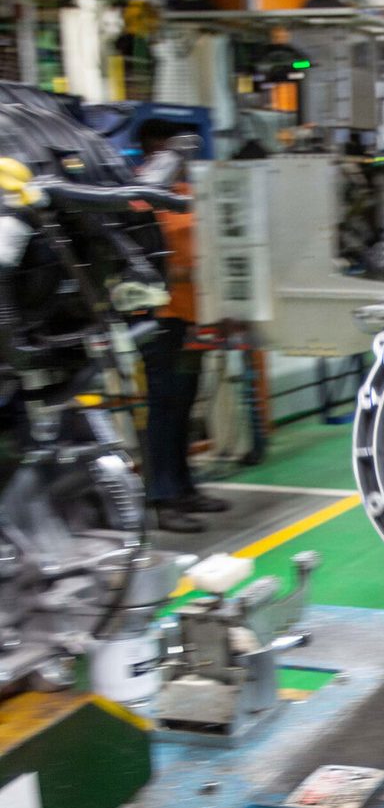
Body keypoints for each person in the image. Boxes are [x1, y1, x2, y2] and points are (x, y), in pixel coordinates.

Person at [135, 126, 229, 534]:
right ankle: (162, 498)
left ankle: (185, 487)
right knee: (164, 406)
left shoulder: (187, 192)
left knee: (186, 403)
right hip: (160, 321)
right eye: (171, 149)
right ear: (154, 150)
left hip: (193, 321)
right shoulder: (140, 196)